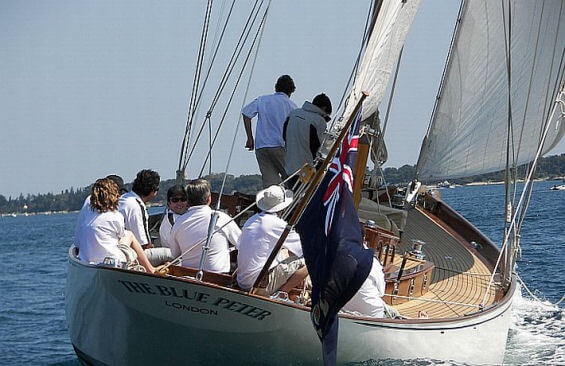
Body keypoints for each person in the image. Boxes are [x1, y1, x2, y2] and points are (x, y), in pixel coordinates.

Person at [237, 185, 308, 295]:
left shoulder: (251, 220)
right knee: (307, 263)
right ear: (282, 207)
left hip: (242, 282)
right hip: (258, 285)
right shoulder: (278, 224)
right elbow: (304, 248)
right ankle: (280, 295)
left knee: (285, 252)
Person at [75, 178, 155, 273]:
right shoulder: (116, 216)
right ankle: (150, 269)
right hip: (112, 261)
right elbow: (121, 237)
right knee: (129, 234)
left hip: (88, 263)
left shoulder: (88, 218)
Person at [170, 179, 241, 273]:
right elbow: (243, 244)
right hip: (218, 277)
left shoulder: (178, 223)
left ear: (187, 201)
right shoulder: (222, 218)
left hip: (188, 276)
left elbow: (175, 254)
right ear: (208, 199)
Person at [242, 75, 297, 187]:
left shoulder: (262, 100)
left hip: (261, 145)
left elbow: (246, 113)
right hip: (280, 145)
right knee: (291, 179)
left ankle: (272, 203)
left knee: (270, 183)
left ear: (276, 87)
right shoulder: (292, 107)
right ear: (291, 90)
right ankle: (294, 202)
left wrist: (250, 137)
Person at [118, 169, 170, 265]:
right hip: (131, 254)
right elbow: (143, 244)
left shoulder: (123, 199)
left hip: (118, 249)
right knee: (171, 254)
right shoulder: (137, 206)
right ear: (153, 191)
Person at [283, 93, 332, 186]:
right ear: (324, 108)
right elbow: (319, 146)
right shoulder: (319, 121)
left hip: (289, 166)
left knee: (291, 194)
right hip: (306, 169)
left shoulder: (293, 113)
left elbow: (284, 136)